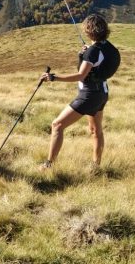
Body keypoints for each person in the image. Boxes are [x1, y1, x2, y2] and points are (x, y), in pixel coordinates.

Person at [38, 14, 116, 169]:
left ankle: (48, 165)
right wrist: (84, 55)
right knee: (95, 131)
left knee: (57, 125)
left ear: (89, 31)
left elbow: (81, 75)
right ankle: (96, 166)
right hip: (102, 93)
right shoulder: (109, 48)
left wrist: (53, 78)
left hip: (88, 95)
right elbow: (98, 65)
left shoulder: (92, 52)